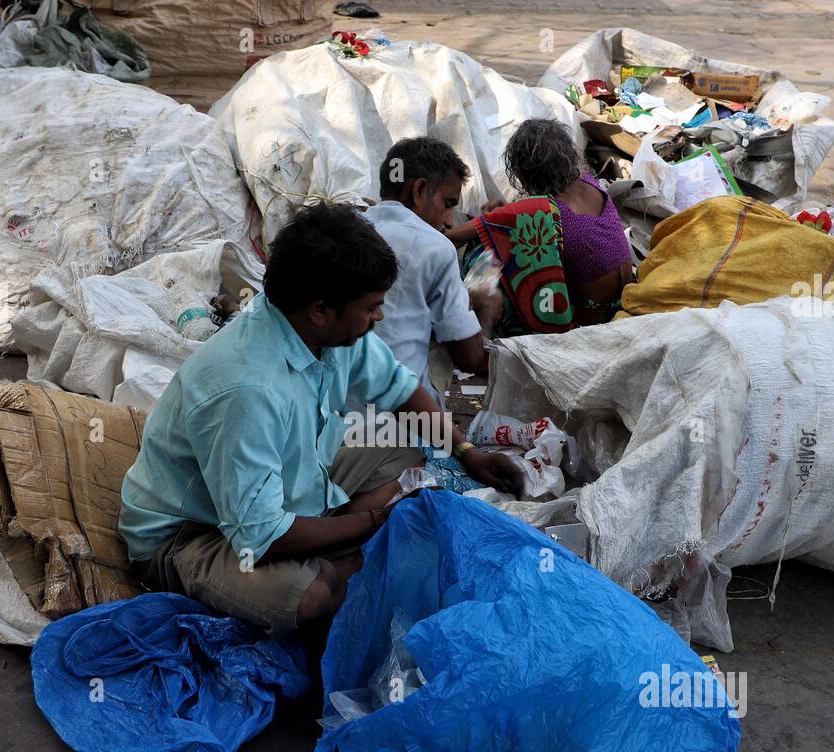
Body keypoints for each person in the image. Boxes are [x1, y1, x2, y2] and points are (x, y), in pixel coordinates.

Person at [118, 202, 522, 634]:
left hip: (278, 493)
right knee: (313, 594)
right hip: (192, 532)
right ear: (320, 309)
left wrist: (467, 452)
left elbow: (401, 390)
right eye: (370, 307)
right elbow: (263, 535)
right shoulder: (247, 390)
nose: (379, 317)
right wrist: (372, 523)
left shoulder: (330, 335)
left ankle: (334, 546)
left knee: (411, 439)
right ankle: (332, 558)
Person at [450, 118, 634, 335]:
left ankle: (482, 327)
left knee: (487, 248)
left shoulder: (538, 210)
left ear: (525, 172)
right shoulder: (589, 182)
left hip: (589, 317)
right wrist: (508, 213)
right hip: (621, 296)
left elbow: (453, 237)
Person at [364, 137, 501, 398]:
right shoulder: (435, 247)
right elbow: (469, 358)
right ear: (419, 190)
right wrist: (486, 311)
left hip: (336, 416)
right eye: (447, 204)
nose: (449, 220)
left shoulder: (348, 230)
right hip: (403, 417)